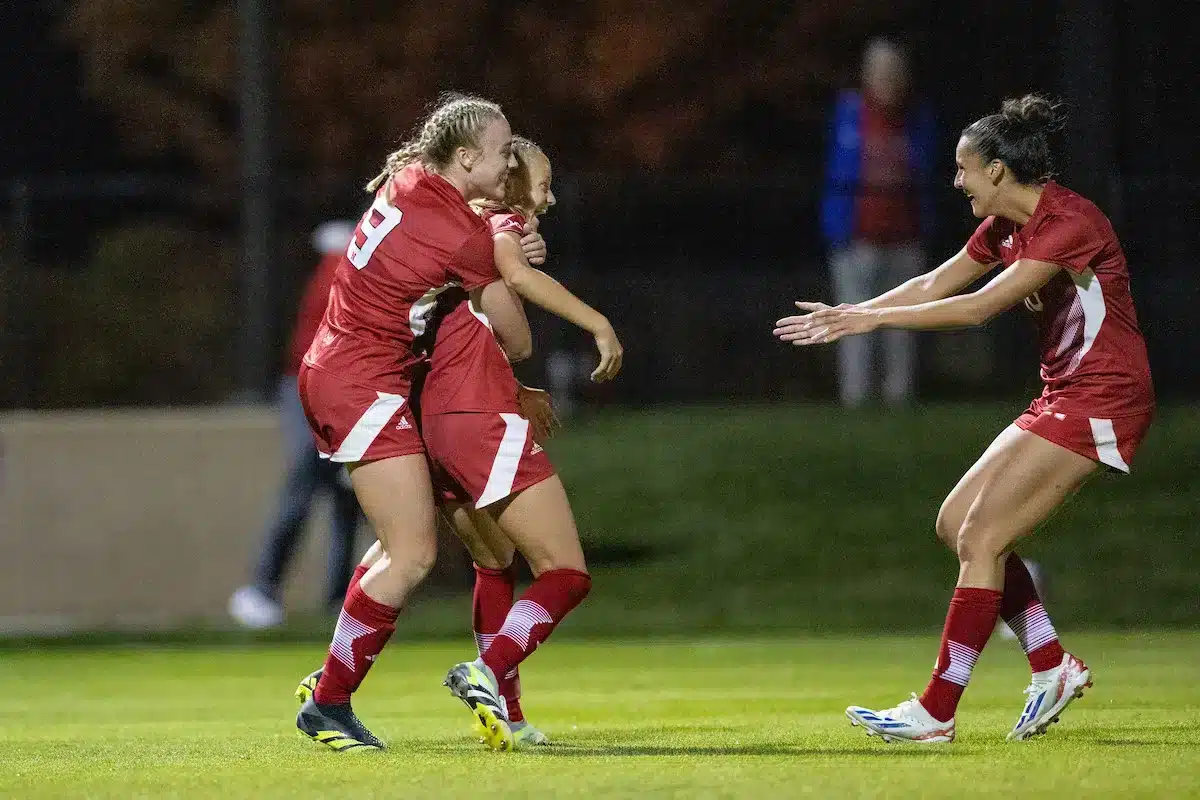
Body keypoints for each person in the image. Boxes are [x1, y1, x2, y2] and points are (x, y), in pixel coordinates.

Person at [775, 94, 1154, 743]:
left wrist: (872, 320)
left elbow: (980, 308)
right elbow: (934, 284)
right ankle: (1050, 664)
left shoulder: (1070, 222)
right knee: (958, 524)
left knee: (982, 538)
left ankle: (937, 710)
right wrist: (853, 313)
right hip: (1064, 390)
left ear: (999, 171)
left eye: (964, 168)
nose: (956, 181)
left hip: (1104, 396)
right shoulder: (1005, 228)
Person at [297, 136, 623, 751]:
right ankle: (458, 679)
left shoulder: (422, 196)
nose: (548, 197)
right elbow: (517, 336)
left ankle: (367, 682)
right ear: (494, 172)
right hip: (451, 407)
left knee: (476, 558)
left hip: (418, 403)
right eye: (538, 180)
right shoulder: (478, 236)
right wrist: (521, 271)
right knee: (557, 571)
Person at [228, 220, 363, 629]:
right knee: (305, 482)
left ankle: (340, 601)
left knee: (350, 494)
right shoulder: (343, 269)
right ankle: (261, 589)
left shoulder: (352, 261)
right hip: (310, 387)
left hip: (349, 392)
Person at [820, 38, 936, 407]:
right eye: (880, 71)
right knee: (851, 322)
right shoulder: (846, 114)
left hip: (906, 235)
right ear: (866, 75)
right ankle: (855, 402)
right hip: (857, 240)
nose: (888, 79)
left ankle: (899, 400)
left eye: (895, 72)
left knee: (902, 324)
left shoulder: (918, 119)